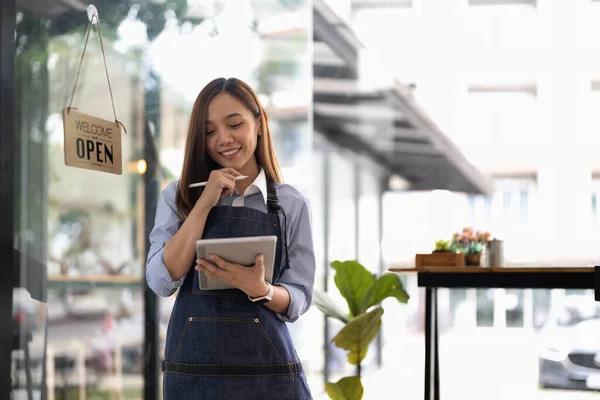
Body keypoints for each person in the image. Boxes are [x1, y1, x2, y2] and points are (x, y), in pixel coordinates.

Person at [146, 77, 315, 399]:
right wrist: (204, 204)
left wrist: (259, 289)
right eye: (209, 132)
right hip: (195, 374)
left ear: (259, 123)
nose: (223, 139)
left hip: (267, 374)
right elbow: (160, 281)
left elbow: (299, 298)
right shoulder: (177, 197)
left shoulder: (292, 205)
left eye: (234, 124)